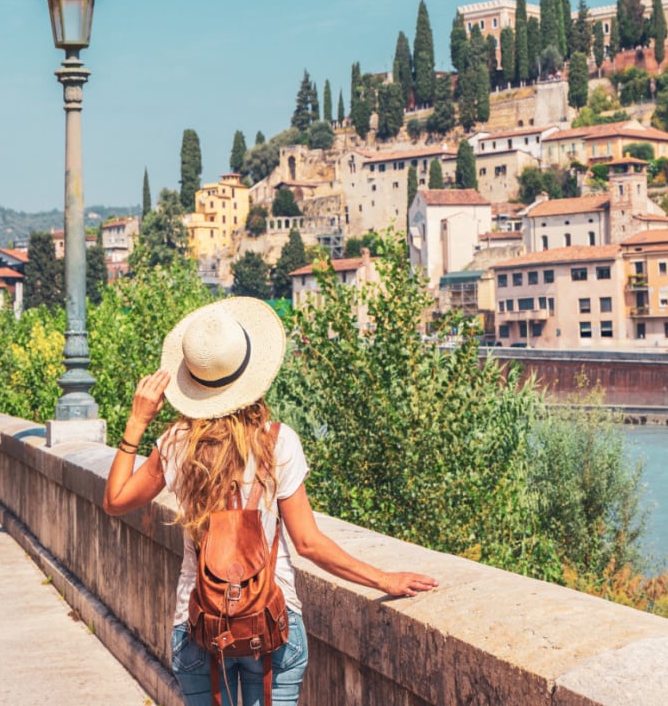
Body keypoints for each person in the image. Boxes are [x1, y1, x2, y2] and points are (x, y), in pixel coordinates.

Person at [103, 298, 437, 706]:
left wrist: (137, 421)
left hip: (199, 625)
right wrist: (383, 580)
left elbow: (115, 501)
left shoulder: (176, 445)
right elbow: (309, 543)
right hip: (272, 621)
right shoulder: (278, 442)